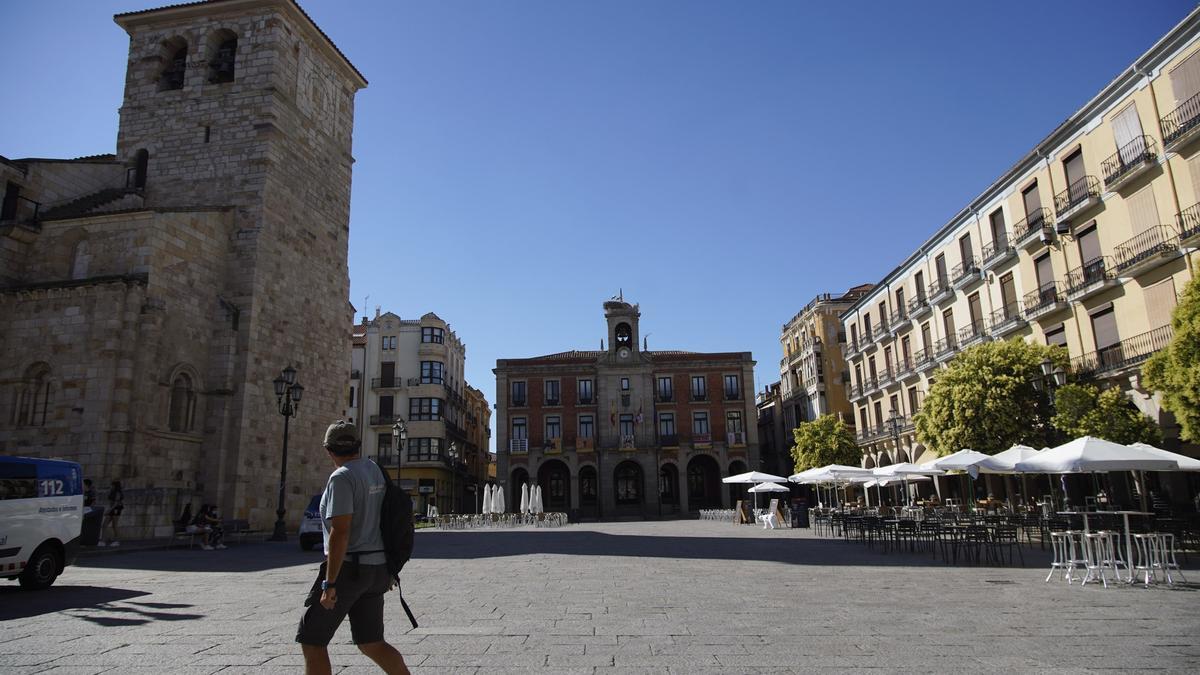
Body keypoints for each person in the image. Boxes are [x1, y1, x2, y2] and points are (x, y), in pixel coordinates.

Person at [296, 420, 409, 675]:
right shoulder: (376, 470)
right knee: (371, 642)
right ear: (358, 445)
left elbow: (341, 532)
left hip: (349, 570)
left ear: (329, 450)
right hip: (378, 569)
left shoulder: (342, 477)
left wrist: (329, 583)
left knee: (312, 639)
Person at [99, 480, 124, 547]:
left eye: (112, 485)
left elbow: (116, 503)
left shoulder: (118, 493)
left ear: (115, 486)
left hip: (116, 509)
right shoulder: (112, 492)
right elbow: (111, 502)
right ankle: (103, 541)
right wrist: (109, 509)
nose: (111, 486)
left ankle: (117, 541)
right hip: (112, 508)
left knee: (114, 525)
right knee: (104, 524)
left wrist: (109, 510)